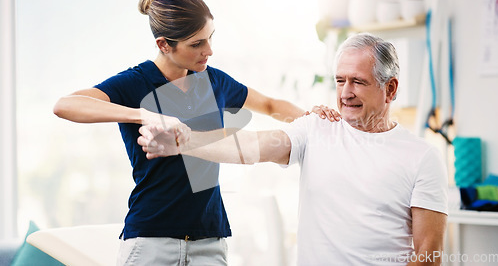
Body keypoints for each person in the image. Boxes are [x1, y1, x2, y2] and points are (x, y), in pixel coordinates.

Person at [53, 0, 339, 266]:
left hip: (210, 239)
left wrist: (312, 119)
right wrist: (144, 115)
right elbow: (66, 105)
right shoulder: (135, 83)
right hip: (151, 240)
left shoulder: (214, 82)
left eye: (210, 38)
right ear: (164, 44)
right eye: (196, 44)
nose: (209, 50)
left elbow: (270, 106)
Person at [138, 33, 449, 265]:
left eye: (358, 82)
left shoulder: (422, 157)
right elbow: (251, 147)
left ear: (390, 88)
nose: (345, 93)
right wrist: (183, 142)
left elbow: (429, 254)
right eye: (339, 81)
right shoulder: (316, 128)